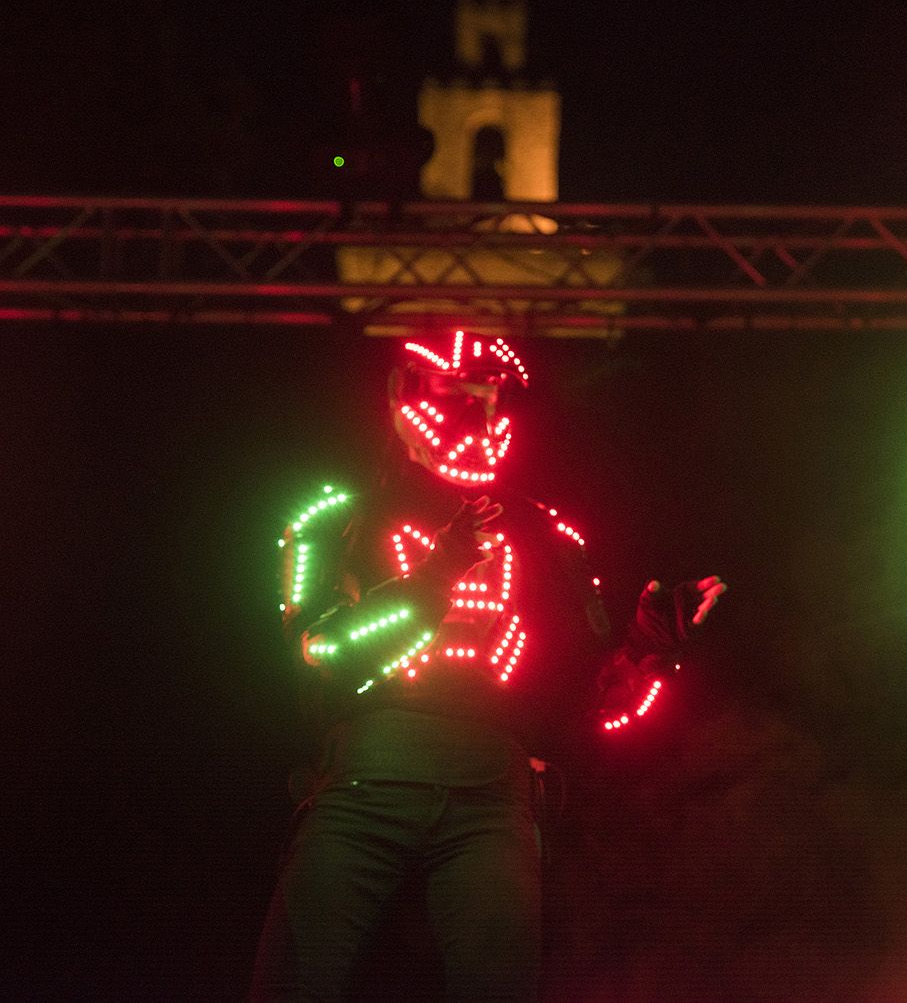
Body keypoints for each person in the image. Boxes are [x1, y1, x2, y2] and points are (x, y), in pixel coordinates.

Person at [251, 330, 725, 1001]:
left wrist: (649, 647)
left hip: (493, 799)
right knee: (293, 984)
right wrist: (435, 577)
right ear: (399, 393)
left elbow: (590, 708)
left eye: (493, 399)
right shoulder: (335, 518)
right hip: (365, 784)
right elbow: (323, 654)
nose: (480, 419)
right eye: (457, 395)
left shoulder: (550, 535)